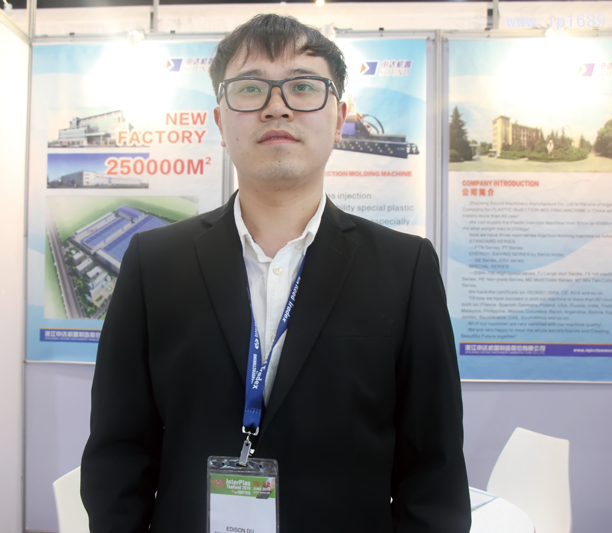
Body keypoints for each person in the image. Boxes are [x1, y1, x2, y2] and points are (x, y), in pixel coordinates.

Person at [81, 14, 470, 533]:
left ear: (339, 119)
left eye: (303, 87)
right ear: (220, 122)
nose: (277, 106)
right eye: (250, 88)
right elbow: (118, 452)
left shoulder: (405, 268)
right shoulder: (154, 261)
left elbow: (434, 471)